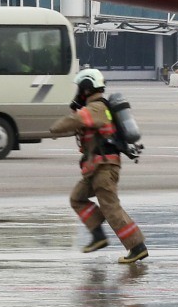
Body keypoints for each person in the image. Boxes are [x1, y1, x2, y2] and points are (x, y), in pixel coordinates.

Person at [50, 67, 149, 264]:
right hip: (95, 169)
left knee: (111, 208)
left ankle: (137, 247)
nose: (78, 92)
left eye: (80, 88)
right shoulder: (95, 108)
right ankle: (98, 235)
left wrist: (54, 127)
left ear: (86, 87)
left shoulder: (96, 108)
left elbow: (75, 120)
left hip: (104, 168)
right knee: (77, 198)